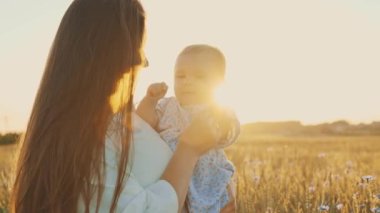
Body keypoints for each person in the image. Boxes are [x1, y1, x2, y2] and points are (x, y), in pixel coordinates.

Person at [9, 0, 236, 212]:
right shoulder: (87, 141)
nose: (141, 63)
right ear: (121, 57)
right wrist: (189, 149)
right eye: (140, 53)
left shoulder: (107, 125)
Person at [136, 44, 240, 213]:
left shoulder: (217, 110)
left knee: (220, 202)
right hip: (172, 170)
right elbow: (144, 122)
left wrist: (220, 126)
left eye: (199, 76)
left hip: (207, 174)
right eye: (180, 76)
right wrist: (149, 101)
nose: (188, 82)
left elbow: (230, 133)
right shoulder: (167, 105)